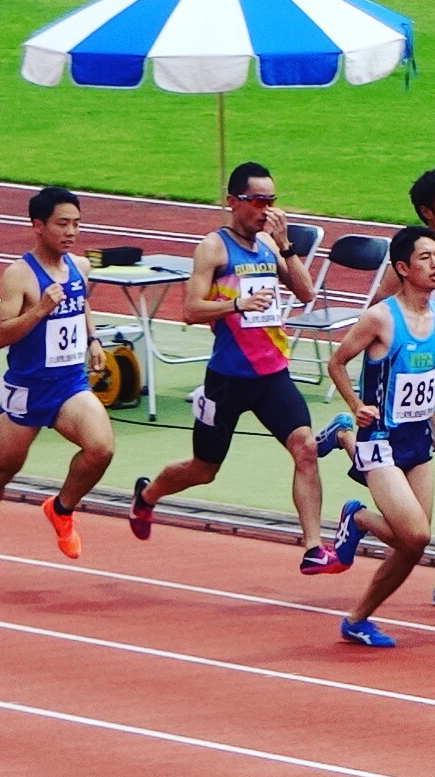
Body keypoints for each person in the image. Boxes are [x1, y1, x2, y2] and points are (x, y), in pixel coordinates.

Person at [129, 161, 340, 575]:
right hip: (227, 378)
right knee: (203, 470)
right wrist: (236, 305)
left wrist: (286, 244)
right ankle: (148, 496)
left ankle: (314, 546)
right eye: (258, 200)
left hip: (271, 375)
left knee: (306, 449)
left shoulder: (268, 244)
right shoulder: (214, 247)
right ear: (232, 202)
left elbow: (306, 292)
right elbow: (190, 310)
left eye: (271, 201)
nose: (266, 209)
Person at [318, 167, 435, 609]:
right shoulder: (405, 267)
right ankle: (348, 435)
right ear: (427, 213)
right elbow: (380, 325)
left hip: (432, 378)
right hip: (397, 379)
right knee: (412, 519)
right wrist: (362, 398)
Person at [0, 187, 114, 579]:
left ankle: (61, 508)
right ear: (38, 226)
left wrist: (93, 339)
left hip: (69, 384)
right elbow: (1, 335)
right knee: (2, 472)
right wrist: (40, 309)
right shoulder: (18, 274)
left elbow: (83, 303)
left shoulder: (79, 267)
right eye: (62, 224)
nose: (71, 232)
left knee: (101, 448)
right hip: (28, 387)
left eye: (76, 223)